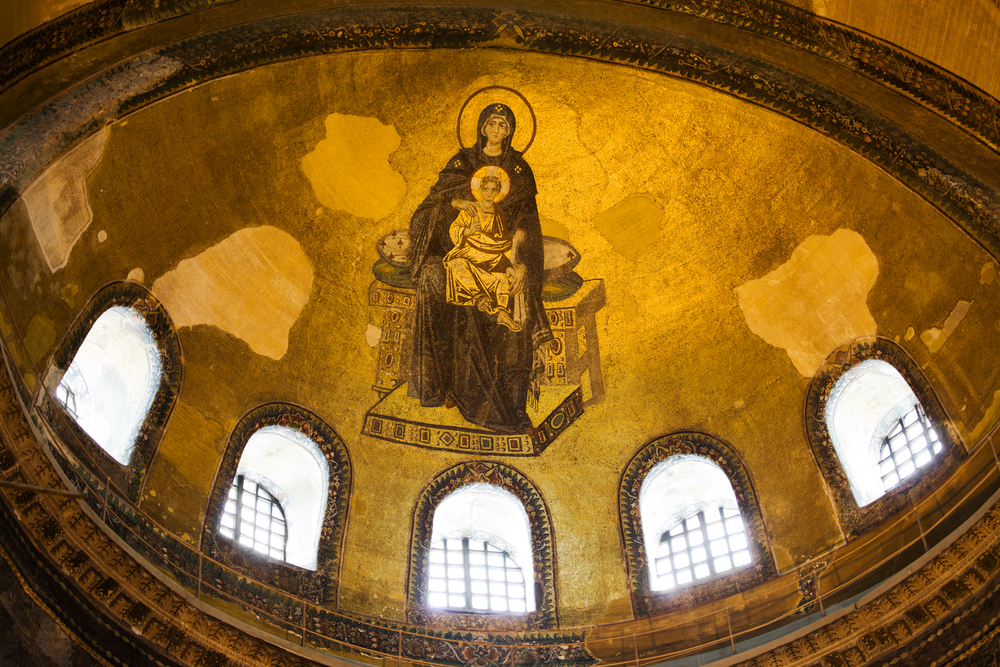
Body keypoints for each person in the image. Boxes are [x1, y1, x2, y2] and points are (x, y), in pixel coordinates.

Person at [407, 103, 552, 434]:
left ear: (511, 131)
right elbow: (429, 210)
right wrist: (456, 203)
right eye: (492, 123)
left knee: (520, 300)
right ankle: (442, 384)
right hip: (461, 254)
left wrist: (523, 266)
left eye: (504, 124)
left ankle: (515, 405)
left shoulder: (519, 171)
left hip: (503, 256)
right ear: (482, 128)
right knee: (434, 277)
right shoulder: (461, 164)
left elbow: (527, 227)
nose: (498, 129)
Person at [443, 172, 524, 332]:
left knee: (502, 278)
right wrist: (468, 231)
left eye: (493, 190)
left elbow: (501, 241)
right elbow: (455, 228)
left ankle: (502, 313)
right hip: (470, 250)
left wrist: (508, 263)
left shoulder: (498, 214)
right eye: (486, 189)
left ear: (498, 192)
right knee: (456, 265)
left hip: (491, 255)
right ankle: (479, 297)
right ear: (480, 190)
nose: (489, 193)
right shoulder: (471, 208)